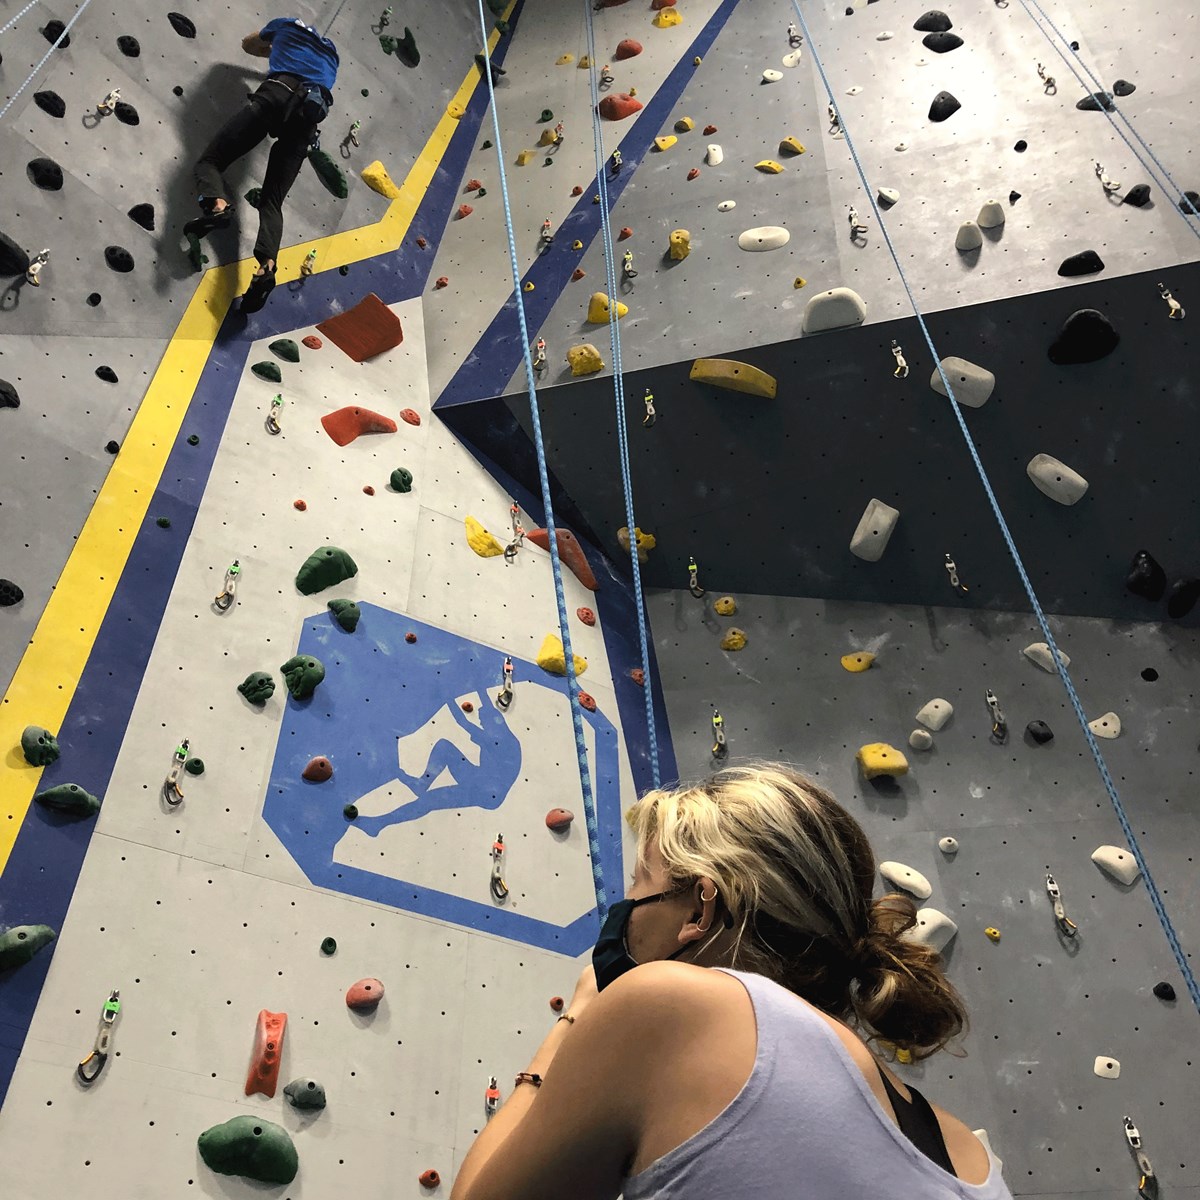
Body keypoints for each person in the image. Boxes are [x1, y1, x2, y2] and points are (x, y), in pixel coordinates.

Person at [450, 764, 1013, 1200]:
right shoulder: (966, 1152)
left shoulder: (673, 1007)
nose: (627, 907)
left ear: (700, 907)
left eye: (639, 884)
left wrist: (576, 1019)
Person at [187, 17, 339, 312]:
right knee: (272, 202)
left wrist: (275, 47)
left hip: (276, 92)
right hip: (309, 116)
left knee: (211, 161)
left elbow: (249, 45)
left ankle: (217, 206)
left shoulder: (287, 25)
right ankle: (266, 267)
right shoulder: (333, 55)